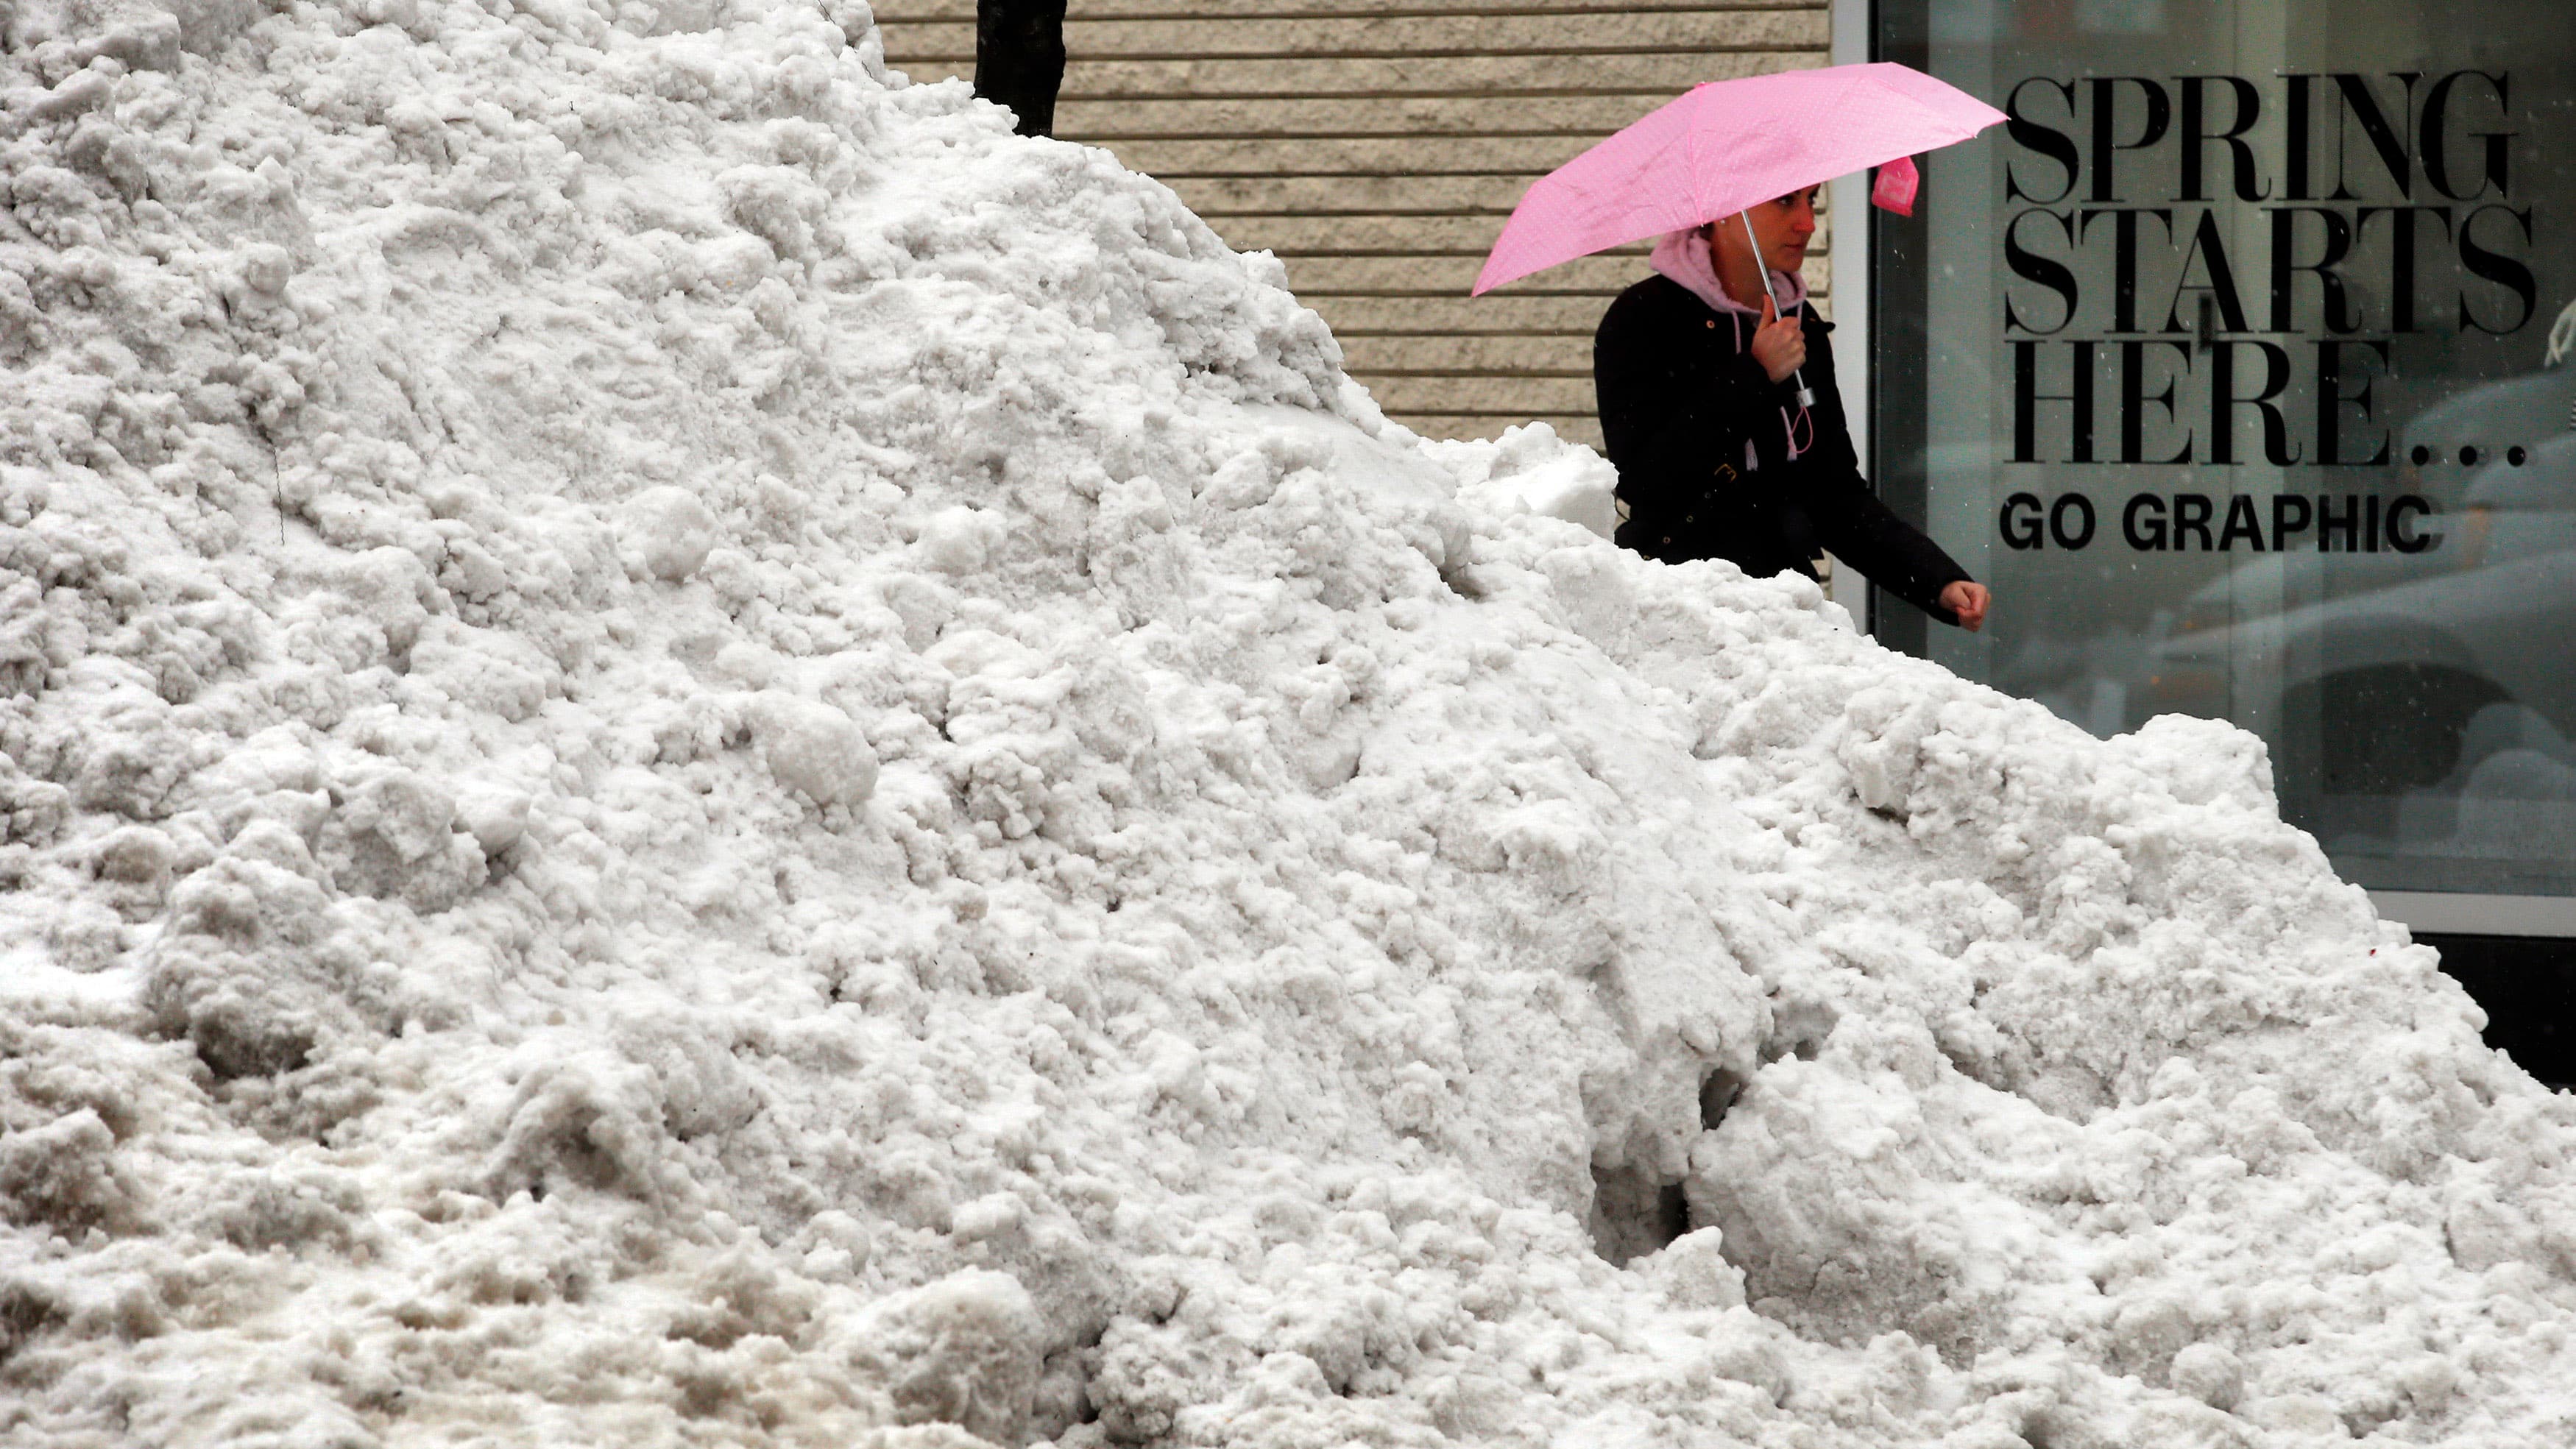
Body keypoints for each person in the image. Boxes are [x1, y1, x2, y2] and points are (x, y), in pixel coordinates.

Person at [1592, 187, 1991, 631]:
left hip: (1785, 612)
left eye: (1812, 201)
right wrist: (1756, 374)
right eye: (1786, 201)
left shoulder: (1799, 326)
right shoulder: (1645, 318)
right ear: (1724, 208)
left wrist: (1936, 581)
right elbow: (1645, 480)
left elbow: (1834, 493)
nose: (1807, 222)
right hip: (1677, 612)